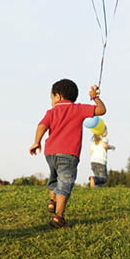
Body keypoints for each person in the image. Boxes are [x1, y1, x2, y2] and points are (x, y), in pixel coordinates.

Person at [29, 80, 106, 228]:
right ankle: (58, 217)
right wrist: (94, 97)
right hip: (69, 154)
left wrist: (37, 141)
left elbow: (42, 126)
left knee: (54, 178)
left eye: (51, 98)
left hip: (50, 153)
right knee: (65, 183)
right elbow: (101, 110)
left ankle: (52, 201)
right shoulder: (78, 109)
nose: (51, 101)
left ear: (57, 96)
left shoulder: (51, 112)